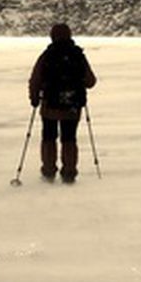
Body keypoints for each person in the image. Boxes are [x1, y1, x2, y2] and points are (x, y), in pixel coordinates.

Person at [28, 23, 97, 183]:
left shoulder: (47, 55)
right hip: (72, 106)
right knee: (69, 138)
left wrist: (34, 99)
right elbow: (90, 81)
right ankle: (69, 172)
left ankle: (49, 170)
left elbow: (35, 79)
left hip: (50, 105)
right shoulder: (78, 55)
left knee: (49, 137)